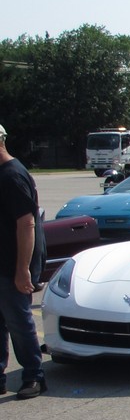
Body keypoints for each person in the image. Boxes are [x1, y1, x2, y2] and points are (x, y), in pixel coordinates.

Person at [0, 124, 48, 399]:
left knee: (19, 322)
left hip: (11, 266)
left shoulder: (12, 175)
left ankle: (33, 376)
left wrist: (22, 270)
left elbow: (27, 223)